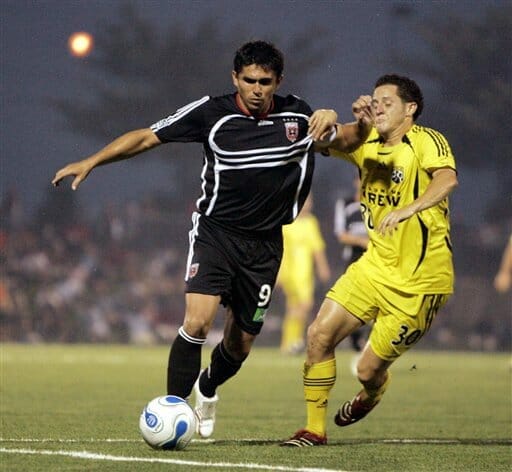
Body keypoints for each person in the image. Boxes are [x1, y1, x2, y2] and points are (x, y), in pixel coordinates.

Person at [52, 40, 372, 439]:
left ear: (278, 81)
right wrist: (92, 160)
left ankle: (207, 387)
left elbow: (346, 141)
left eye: (265, 82)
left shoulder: (300, 115)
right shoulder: (212, 112)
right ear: (235, 78)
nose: (256, 89)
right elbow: (148, 137)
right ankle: (172, 412)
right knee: (198, 322)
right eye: (249, 80)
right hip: (215, 234)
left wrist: (359, 123)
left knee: (239, 346)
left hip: (266, 245)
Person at [282, 74, 458, 447]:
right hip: (374, 267)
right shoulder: (367, 139)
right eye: (374, 100)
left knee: (367, 370)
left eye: (387, 102)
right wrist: (332, 117)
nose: (378, 106)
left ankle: (373, 392)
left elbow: (446, 179)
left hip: (420, 282)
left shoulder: (426, 140)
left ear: (410, 109)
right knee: (317, 335)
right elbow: (324, 141)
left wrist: (411, 207)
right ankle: (314, 429)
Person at [277, 193, 331, 355]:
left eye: (309, 201)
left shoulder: (311, 223)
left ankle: (289, 343)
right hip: (290, 272)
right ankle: (293, 342)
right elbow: (279, 249)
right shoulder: (286, 223)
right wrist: (278, 272)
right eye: (304, 201)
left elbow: (317, 248)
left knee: (295, 308)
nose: (308, 204)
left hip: (305, 273)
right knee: (303, 305)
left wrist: (322, 267)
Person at [333, 174, 370, 375]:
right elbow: (341, 234)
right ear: (355, 181)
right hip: (354, 260)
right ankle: (357, 345)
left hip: (378, 260)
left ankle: (372, 345)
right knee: (354, 304)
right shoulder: (346, 204)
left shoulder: (379, 205)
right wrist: (363, 242)